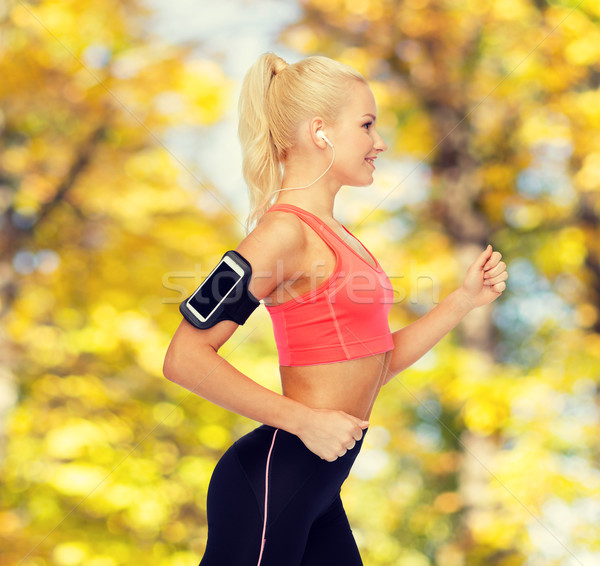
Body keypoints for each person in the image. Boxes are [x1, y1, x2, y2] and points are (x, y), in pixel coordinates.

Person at [163, 52, 508, 566]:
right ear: (320, 131)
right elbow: (184, 356)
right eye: (367, 125)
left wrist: (462, 302)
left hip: (320, 487)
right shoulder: (281, 233)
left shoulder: (345, 241)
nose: (380, 143)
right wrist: (304, 421)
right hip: (270, 485)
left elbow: (376, 364)